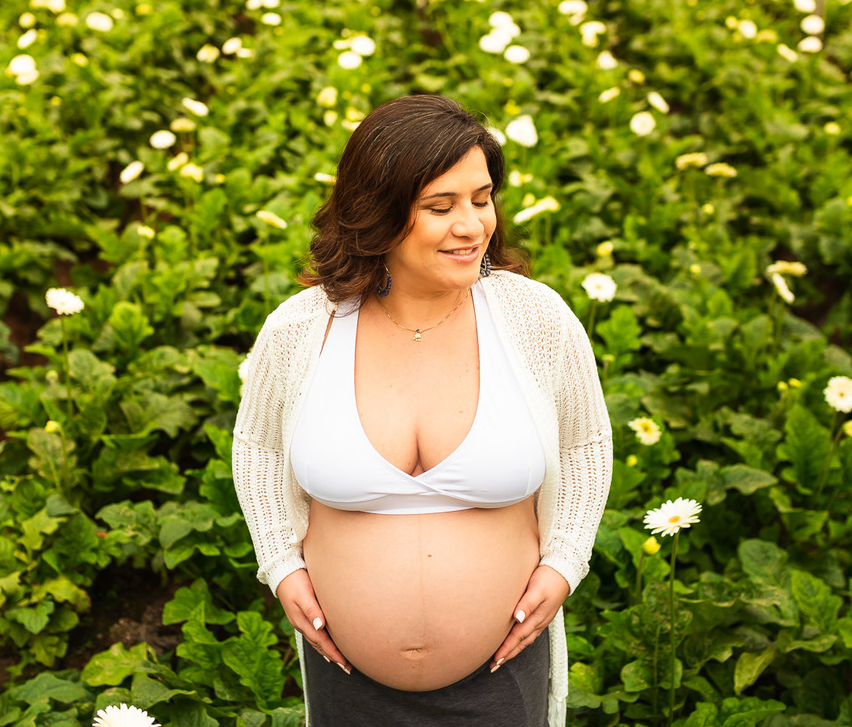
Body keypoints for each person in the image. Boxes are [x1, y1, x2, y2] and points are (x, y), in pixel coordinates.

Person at [231, 94, 613, 727]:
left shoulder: (536, 318)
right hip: (346, 679)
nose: (472, 225)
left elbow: (583, 446)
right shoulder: (302, 328)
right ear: (377, 213)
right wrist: (281, 565)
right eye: (441, 206)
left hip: (500, 677)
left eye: (482, 199)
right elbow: (259, 450)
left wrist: (566, 559)